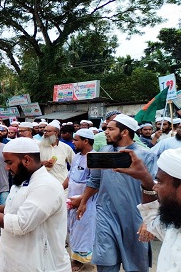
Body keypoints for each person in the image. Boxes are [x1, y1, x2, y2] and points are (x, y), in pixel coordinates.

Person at [0, 137, 71, 271]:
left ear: (26, 160)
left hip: (42, 263)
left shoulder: (46, 186)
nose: (6, 168)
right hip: (14, 260)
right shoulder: (22, 180)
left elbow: (21, 224)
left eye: (9, 162)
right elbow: (17, 209)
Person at [77, 114, 157, 271]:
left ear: (125, 132)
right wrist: (83, 201)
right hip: (106, 215)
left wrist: (149, 219)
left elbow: (153, 189)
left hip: (135, 217)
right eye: (106, 128)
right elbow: (95, 181)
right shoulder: (104, 152)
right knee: (105, 262)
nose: (105, 132)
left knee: (136, 264)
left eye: (110, 129)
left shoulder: (146, 155)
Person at [115, 147, 181, 271]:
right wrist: (145, 178)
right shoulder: (178, 223)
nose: (155, 188)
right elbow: (153, 219)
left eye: (160, 182)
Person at [62, 129, 97, 271]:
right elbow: (70, 177)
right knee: (73, 229)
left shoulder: (94, 158)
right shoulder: (76, 156)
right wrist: (58, 190)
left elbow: (96, 184)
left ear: (86, 141)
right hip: (72, 198)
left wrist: (82, 200)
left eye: (76, 140)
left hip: (86, 201)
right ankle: (75, 257)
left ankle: (79, 260)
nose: (73, 142)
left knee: (83, 231)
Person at [39, 121, 74, 185]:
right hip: (43, 184)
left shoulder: (66, 148)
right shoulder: (38, 146)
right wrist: (41, 163)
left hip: (61, 185)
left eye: (48, 131)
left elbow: (74, 165)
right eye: (44, 131)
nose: (45, 133)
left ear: (56, 133)